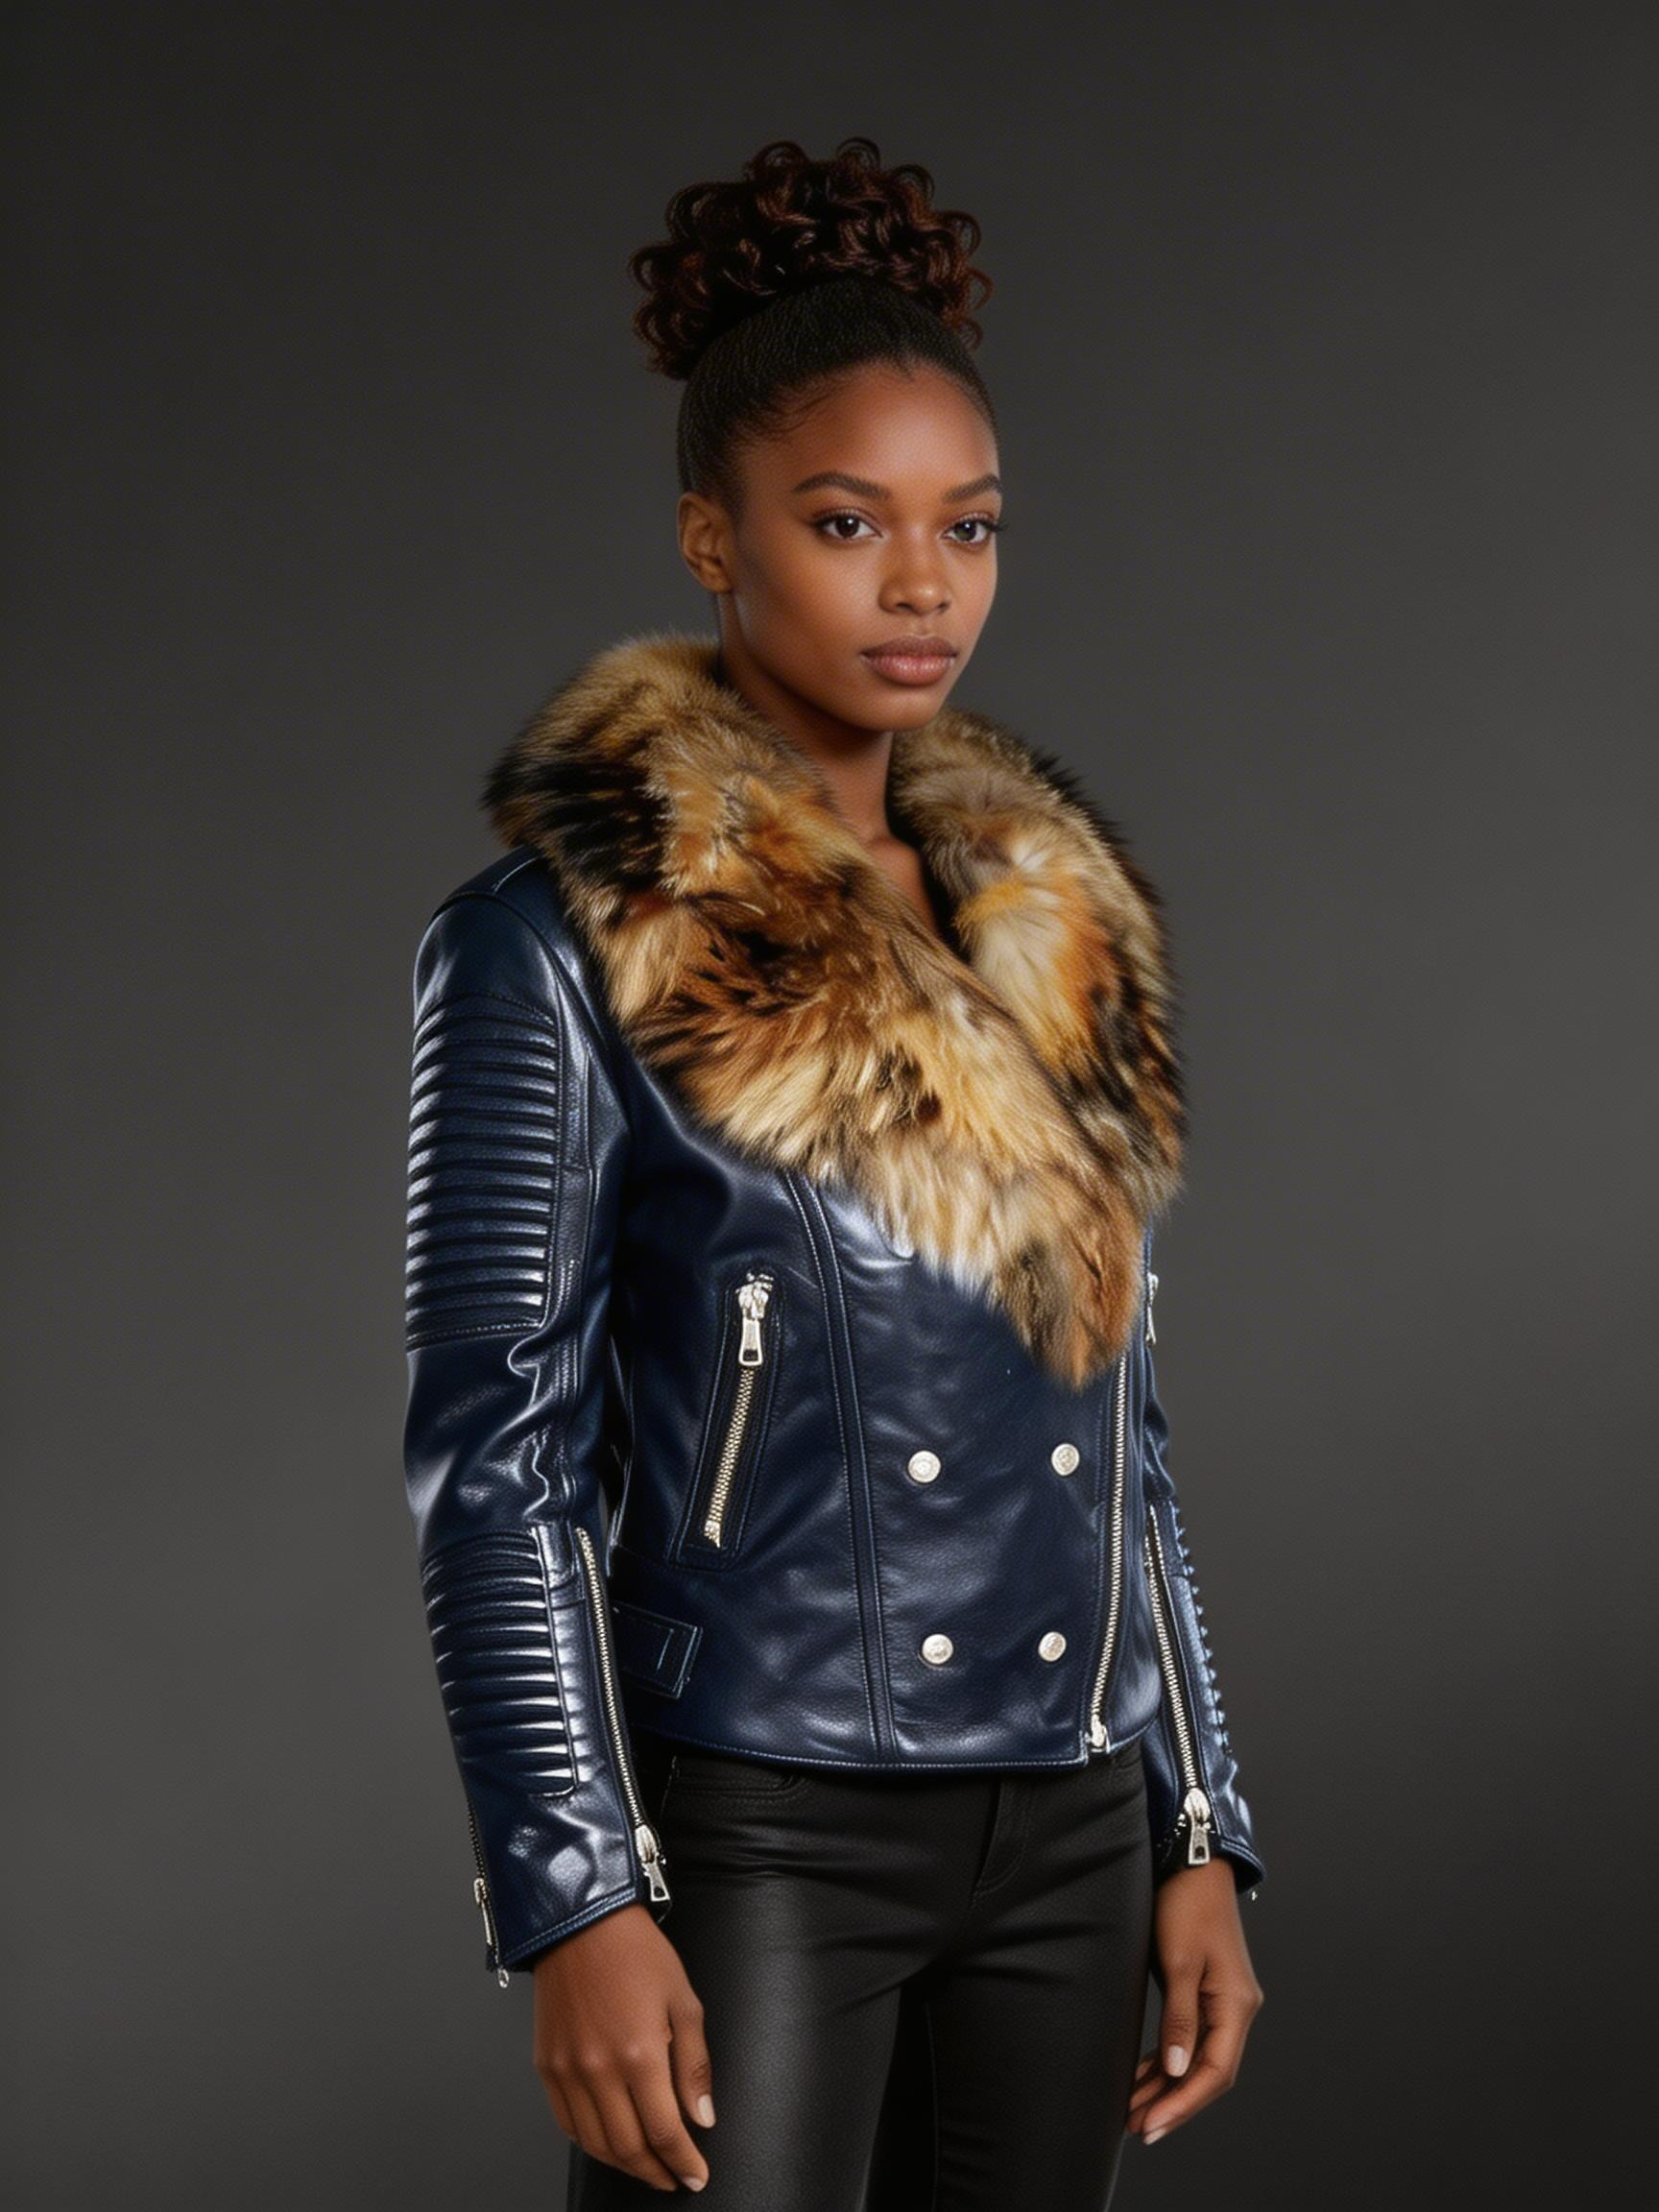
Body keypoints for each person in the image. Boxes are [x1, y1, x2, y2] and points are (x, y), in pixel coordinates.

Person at [400, 134, 1265, 2210]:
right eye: (848, 520)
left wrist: (1198, 1822)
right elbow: (494, 1457)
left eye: (970, 526)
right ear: (714, 537)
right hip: (765, 1823)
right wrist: (577, 1891)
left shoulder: (1051, 926)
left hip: (1075, 1820)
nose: (923, 583)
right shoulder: (563, 939)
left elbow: (1122, 1435)